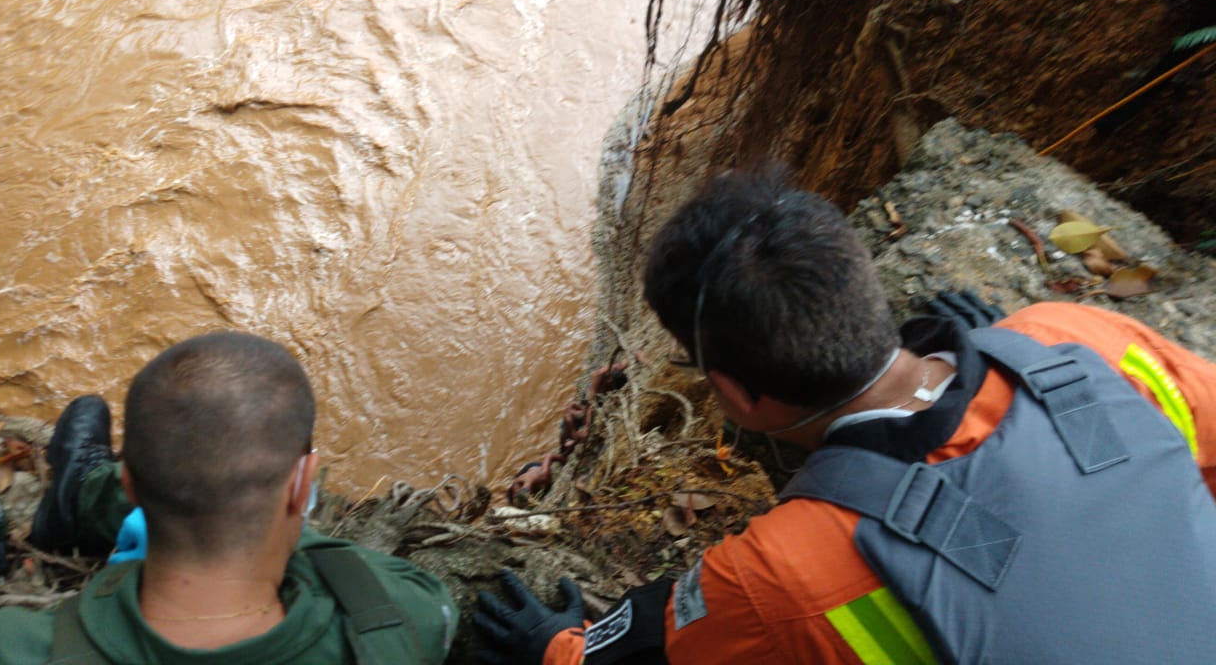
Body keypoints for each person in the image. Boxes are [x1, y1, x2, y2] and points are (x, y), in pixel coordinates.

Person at [473, 165, 1216, 664]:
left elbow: (655, 653)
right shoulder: (1073, 338)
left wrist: (554, 644)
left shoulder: (776, 577)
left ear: (733, 395)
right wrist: (997, 345)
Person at [0, 331, 458, 663]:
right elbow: (344, 565)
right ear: (304, 485)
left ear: (129, 485)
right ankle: (80, 499)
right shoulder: (405, 617)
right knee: (234, 496)